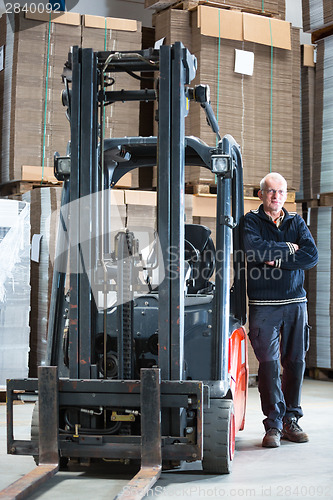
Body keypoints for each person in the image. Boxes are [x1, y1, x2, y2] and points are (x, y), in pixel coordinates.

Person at [243, 172, 318, 448]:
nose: (276, 196)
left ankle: (291, 421)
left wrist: (276, 262)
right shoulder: (251, 221)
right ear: (261, 194)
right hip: (264, 306)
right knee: (270, 366)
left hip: (296, 303)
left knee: (295, 363)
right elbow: (253, 249)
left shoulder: (296, 222)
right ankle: (273, 425)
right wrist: (288, 249)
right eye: (271, 191)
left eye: (281, 192)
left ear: (286, 195)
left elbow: (311, 255)